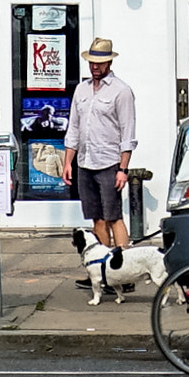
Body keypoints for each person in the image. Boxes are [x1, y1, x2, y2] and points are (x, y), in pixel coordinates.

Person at [62, 37, 136, 263]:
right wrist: (67, 162)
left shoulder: (121, 91)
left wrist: (123, 169)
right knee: (97, 218)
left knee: (113, 216)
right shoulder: (81, 90)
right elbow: (73, 127)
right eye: (92, 62)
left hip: (109, 162)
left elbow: (128, 133)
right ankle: (104, 267)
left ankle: (124, 270)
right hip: (85, 162)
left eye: (100, 62)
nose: (95, 67)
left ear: (109, 63)